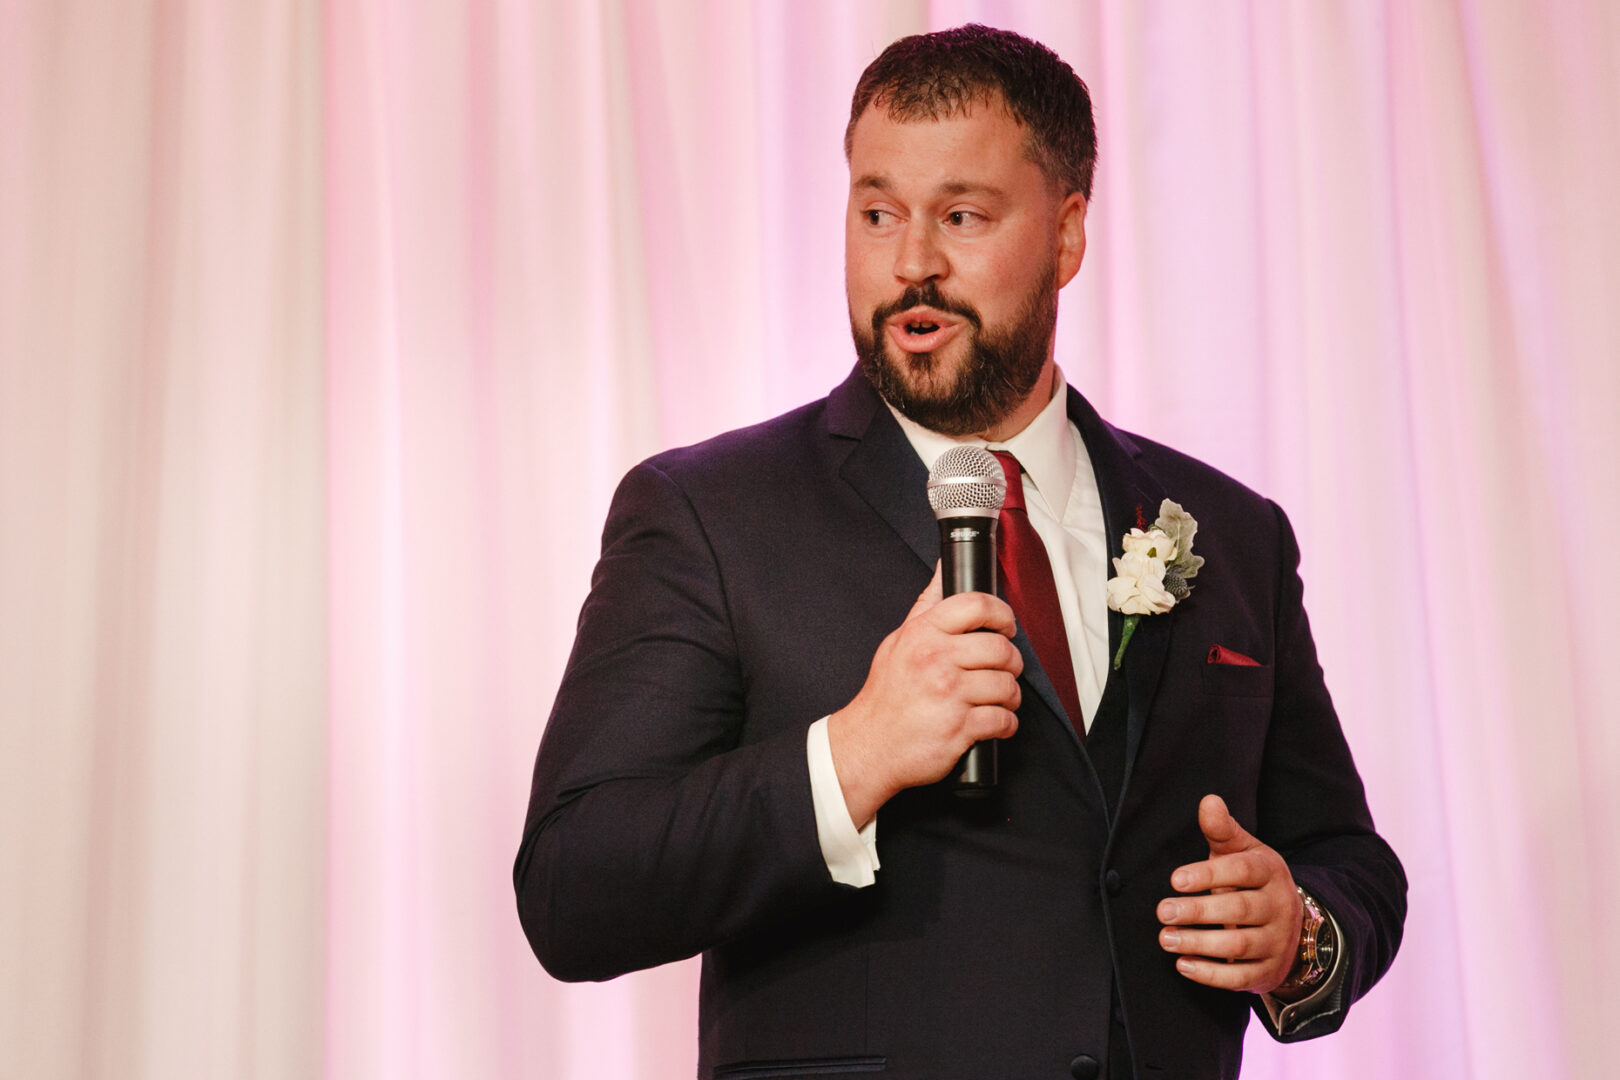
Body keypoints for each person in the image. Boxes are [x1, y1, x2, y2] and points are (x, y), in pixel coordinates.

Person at [515, 24, 1405, 1080]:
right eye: (878, 211)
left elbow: (1350, 862)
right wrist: (851, 758)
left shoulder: (1227, 528)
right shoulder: (707, 515)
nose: (913, 264)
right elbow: (575, 889)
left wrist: (1298, 935)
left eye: (963, 216)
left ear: (1068, 235)